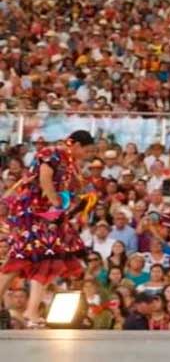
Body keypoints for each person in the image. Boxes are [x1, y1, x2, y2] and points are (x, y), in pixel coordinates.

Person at [0, 130, 97, 326]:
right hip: (34, 213)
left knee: (39, 260)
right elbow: (45, 178)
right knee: (29, 258)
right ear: (76, 145)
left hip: (50, 216)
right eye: (86, 151)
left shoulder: (71, 163)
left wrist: (85, 197)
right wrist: (56, 203)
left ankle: (31, 311)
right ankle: (31, 311)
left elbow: (76, 187)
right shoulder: (51, 152)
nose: (87, 155)